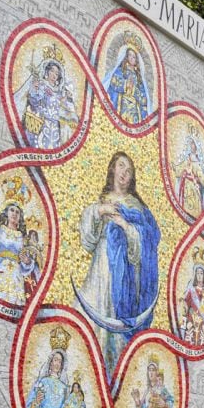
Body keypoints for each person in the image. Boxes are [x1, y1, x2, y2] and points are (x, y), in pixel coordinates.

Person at [74, 151, 161, 379]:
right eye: (121, 166)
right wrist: (98, 211)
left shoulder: (138, 208)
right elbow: (88, 240)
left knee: (115, 321)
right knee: (92, 310)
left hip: (125, 275)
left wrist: (126, 226)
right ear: (112, 169)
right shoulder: (102, 202)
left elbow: (151, 238)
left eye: (129, 170)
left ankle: (112, 375)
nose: (125, 172)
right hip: (101, 265)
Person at [20, 58, 79, 149]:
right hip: (41, 123)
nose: (54, 75)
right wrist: (34, 89)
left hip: (55, 128)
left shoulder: (59, 92)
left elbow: (65, 109)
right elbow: (34, 102)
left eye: (57, 73)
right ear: (46, 72)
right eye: (52, 71)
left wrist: (68, 98)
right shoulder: (41, 86)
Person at [104, 45, 151, 123]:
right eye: (130, 55)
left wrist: (137, 94)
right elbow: (114, 81)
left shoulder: (138, 77)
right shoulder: (120, 71)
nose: (132, 58)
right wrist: (126, 85)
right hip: (121, 103)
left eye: (134, 56)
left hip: (134, 108)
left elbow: (143, 95)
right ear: (126, 57)